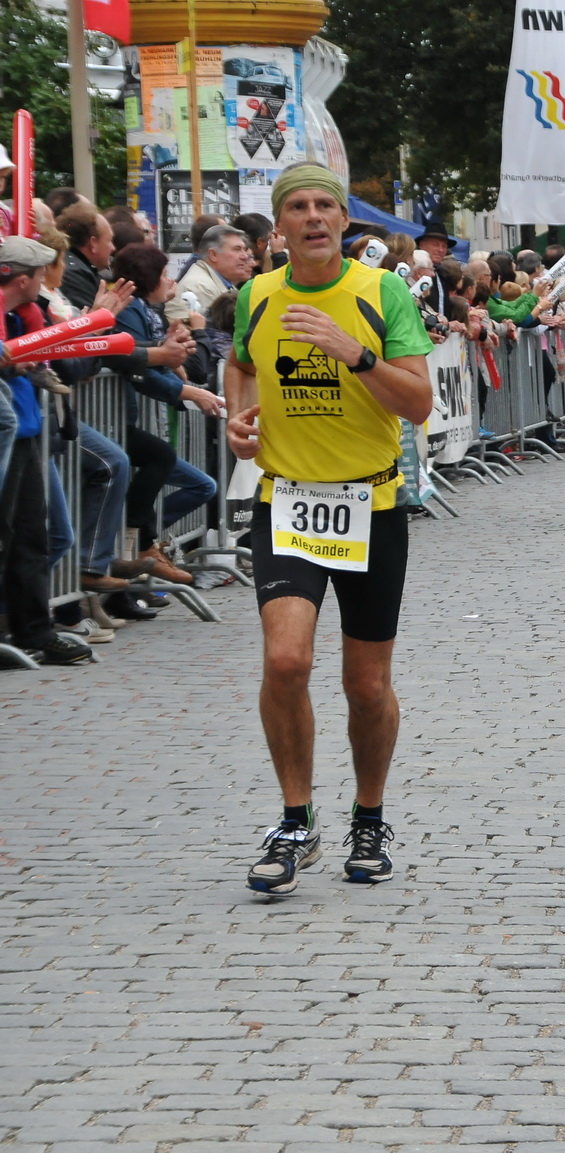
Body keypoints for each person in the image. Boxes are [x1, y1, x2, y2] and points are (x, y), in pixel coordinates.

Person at [222, 162, 435, 895]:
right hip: (286, 504)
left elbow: (416, 403)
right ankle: (294, 819)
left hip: (370, 507)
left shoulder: (382, 292)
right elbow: (240, 363)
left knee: (366, 684)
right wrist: (239, 421)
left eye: (325, 206)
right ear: (277, 226)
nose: (314, 217)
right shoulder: (256, 293)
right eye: (298, 207)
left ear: (344, 221)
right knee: (285, 661)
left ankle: (368, 817)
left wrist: (355, 353)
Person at [0, 236, 95, 664]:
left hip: (24, 434)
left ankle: (34, 632)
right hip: (11, 433)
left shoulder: (23, 314)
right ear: (22, 279)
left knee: (31, 538)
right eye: (40, 273)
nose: (46, 279)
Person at [108, 244, 223, 582]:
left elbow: (167, 359)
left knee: (177, 470)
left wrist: (176, 356)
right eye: (163, 274)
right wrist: (180, 378)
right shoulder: (130, 308)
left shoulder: (146, 309)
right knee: (160, 458)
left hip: (124, 415)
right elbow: (130, 356)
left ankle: (142, 548)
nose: (169, 279)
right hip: (112, 417)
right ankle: (138, 544)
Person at [178, 224, 256, 311]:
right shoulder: (200, 287)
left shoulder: (221, 281)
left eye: (244, 250)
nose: (245, 256)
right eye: (237, 249)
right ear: (213, 255)